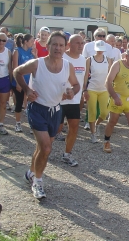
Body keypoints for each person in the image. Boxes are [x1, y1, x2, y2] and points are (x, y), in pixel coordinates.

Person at [14, 31, 80, 199]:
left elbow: (77, 85)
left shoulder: (67, 66)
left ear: (65, 48)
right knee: (46, 148)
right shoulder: (37, 64)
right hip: (37, 109)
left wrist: (72, 91)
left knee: (42, 148)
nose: (58, 48)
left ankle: (30, 172)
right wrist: (27, 89)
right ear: (47, 46)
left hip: (55, 110)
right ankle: (37, 182)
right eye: (54, 44)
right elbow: (17, 72)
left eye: (61, 45)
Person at [54, 34, 88, 166]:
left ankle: (67, 154)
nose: (80, 45)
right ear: (69, 44)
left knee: (74, 127)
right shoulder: (62, 57)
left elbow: (82, 79)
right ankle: (44, 151)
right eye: (77, 43)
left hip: (74, 99)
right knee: (55, 129)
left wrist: (83, 91)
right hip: (59, 99)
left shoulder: (83, 59)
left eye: (82, 43)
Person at [86, 40, 111, 143]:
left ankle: (97, 124)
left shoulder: (108, 59)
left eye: (102, 50)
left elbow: (110, 76)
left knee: (104, 113)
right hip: (92, 88)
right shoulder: (89, 60)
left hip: (104, 89)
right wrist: (84, 89)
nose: (100, 51)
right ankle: (93, 134)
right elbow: (85, 75)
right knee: (92, 112)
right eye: (98, 49)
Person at [11, 34, 37, 132]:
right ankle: (18, 124)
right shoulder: (17, 51)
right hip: (20, 81)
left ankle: (32, 124)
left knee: (31, 104)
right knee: (19, 103)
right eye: (31, 41)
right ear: (25, 41)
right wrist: (18, 82)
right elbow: (15, 67)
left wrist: (35, 55)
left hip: (30, 81)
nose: (33, 43)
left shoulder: (31, 52)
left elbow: (36, 65)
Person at [0, 32, 13, 135]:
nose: (1, 42)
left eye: (3, 40)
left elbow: (9, 68)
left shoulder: (8, 52)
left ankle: (0, 124)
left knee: (3, 104)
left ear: (6, 41)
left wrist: (11, 83)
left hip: (4, 79)